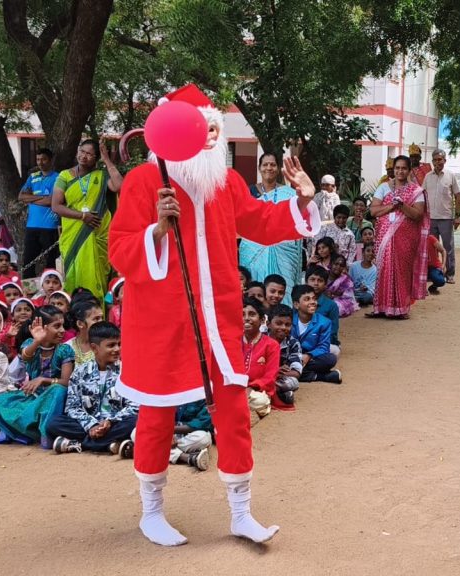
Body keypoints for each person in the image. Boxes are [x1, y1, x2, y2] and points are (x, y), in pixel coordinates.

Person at [108, 84, 320, 547]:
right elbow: (120, 251)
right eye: (200, 128)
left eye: (213, 129)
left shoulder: (225, 183)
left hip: (219, 320)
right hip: (163, 323)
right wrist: (156, 231)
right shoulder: (145, 182)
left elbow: (262, 222)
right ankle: (151, 512)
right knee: (157, 416)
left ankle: (241, 513)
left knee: (234, 411)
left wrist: (303, 201)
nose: (209, 137)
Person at [48, 321, 138, 456]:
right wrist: (91, 425)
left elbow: (134, 406)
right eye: (111, 345)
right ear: (94, 348)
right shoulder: (80, 372)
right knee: (54, 423)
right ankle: (109, 444)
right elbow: (72, 407)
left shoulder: (128, 371)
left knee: (135, 421)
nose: (117, 349)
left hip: (115, 423)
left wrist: (110, 421)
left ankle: (84, 444)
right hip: (87, 425)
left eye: (119, 344)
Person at [0, 306, 73, 446]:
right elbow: (26, 357)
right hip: (32, 395)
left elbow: (66, 382)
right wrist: (37, 341)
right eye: (57, 326)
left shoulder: (65, 350)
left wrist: (43, 380)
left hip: (54, 398)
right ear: (42, 328)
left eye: (62, 325)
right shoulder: (29, 344)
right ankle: (18, 432)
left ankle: (44, 433)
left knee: (58, 389)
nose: (62, 330)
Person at [51, 139, 123, 300]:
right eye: (82, 151)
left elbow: (119, 186)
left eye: (89, 154)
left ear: (96, 158)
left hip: (98, 235)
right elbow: (56, 206)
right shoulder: (65, 176)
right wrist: (83, 216)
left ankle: (98, 309)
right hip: (73, 235)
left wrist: (107, 160)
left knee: (99, 277)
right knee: (74, 274)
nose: (84, 156)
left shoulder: (102, 176)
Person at [367, 155, 430, 320]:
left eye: (403, 168)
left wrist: (402, 206)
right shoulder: (383, 187)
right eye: (397, 168)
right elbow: (373, 211)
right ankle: (381, 307)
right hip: (384, 238)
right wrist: (392, 206)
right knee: (383, 269)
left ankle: (401, 309)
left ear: (409, 171)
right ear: (393, 170)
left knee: (402, 272)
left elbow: (417, 215)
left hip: (406, 239)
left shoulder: (416, 191)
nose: (400, 171)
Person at [239, 152, 305, 305]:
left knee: (284, 287)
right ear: (259, 168)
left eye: (273, 165)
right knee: (255, 289)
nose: (269, 168)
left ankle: (283, 315)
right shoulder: (248, 193)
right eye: (265, 165)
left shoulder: (289, 194)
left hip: (284, 249)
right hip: (253, 248)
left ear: (278, 168)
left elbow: (295, 221)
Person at [18, 148, 60, 278]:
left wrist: (31, 199)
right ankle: (27, 287)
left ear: (51, 160)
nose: (40, 162)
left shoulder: (58, 177)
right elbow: (21, 197)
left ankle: (51, 286)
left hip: (50, 227)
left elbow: (51, 201)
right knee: (28, 261)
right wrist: (42, 197)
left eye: (44, 159)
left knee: (52, 262)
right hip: (32, 226)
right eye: (38, 159)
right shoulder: (33, 177)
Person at [424, 148, 460, 283]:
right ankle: (434, 272)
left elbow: (457, 196)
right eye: (435, 160)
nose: (437, 162)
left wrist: (457, 216)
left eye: (440, 159)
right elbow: (422, 195)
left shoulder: (450, 176)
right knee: (432, 247)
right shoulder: (428, 177)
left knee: (448, 247)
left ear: (445, 160)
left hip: (446, 218)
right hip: (430, 218)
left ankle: (450, 274)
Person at [291, 284, 340, 383]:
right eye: (307, 299)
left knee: (330, 359)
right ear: (296, 305)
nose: (312, 302)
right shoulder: (290, 320)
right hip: (291, 356)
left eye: (314, 298)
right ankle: (317, 376)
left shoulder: (324, 322)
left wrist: (308, 355)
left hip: (310, 358)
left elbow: (323, 347)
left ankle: (294, 373)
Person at [241, 299, 278, 419]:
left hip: (256, 391)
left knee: (260, 401)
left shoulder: (271, 345)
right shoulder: (233, 342)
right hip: (235, 390)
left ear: (262, 320)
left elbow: (270, 376)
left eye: (252, 314)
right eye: (242, 314)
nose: (246, 318)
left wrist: (251, 387)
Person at [348, 242, 377, 306]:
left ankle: (355, 300)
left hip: (365, 294)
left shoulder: (375, 270)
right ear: (363, 253)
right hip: (353, 292)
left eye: (373, 252)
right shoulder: (354, 266)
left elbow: (372, 288)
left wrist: (365, 288)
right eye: (368, 251)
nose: (370, 253)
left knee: (367, 297)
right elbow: (348, 281)